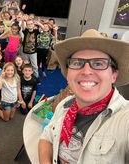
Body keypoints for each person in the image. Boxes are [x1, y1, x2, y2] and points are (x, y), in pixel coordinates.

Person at [38, 29, 129, 164]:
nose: (86, 71)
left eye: (99, 63)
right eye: (77, 63)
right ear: (68, 74)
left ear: (114, 75)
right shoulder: (65, 105)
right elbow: (47, 137)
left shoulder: (124, 119)